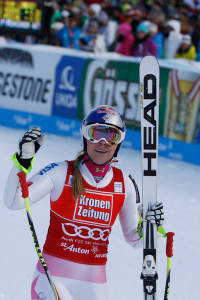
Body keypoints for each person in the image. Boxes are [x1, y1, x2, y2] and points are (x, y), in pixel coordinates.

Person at [4, 105, 164, 300]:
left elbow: (135, 239)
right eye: (95, 133)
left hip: (95, 286)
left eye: (111, 136)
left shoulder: (124, 185)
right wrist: (22, 161)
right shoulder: (61, 172)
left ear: (119, 143)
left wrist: (150, 227)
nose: (103, 143)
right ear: (85, 137)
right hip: (53, 280)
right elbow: (14, 201)